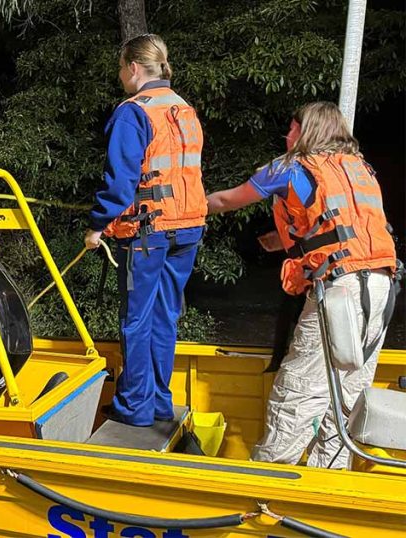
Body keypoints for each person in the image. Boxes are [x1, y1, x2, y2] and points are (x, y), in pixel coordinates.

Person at [206, 101, 399, 469]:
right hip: (382, 287)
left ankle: (268, 484)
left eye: (293, 129)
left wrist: (191, 206)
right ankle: (328, 483)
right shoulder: (361, 169)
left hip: (342, 291)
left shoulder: (289, 168)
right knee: (348, 392)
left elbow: (228, 199)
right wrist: (281, 241)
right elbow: (346, 227)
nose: (287, 135)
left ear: (309, 131)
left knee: (298, 389)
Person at [84, 34, 208, 427]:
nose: (121, 75)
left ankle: (134, 406)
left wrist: (97, 225)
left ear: (133, 68)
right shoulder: (183, 108)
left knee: (136, 320)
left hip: (147, 233)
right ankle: (157, 402)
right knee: (164, 317)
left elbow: (120, 182)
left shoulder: (133, 112)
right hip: (187, 228)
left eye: (121, 68)